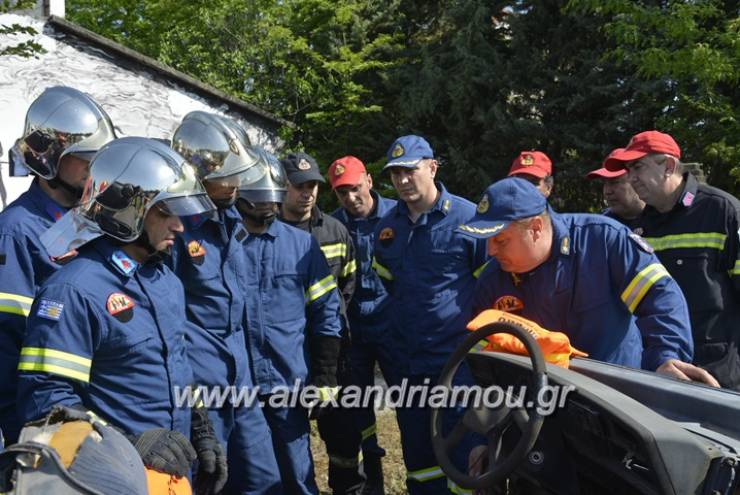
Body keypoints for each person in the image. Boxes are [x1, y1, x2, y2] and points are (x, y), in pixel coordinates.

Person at [17, 137, 228, 493]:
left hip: (172, 474)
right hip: (110, 479)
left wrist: (202, 428)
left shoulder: (166, 281)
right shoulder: (74, 291)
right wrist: (128, 442)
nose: (179, 226)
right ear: (129, 212)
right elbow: (45, 403)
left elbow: (178, 369)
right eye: (166, 212)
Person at [460, 176, 717, 386]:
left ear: (536, 228)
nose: (491, 251)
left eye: (500, 240)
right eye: (487, 241)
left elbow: (660, 297)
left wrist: (666, 357)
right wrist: (485, 433)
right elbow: (483, 359)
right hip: (542, 409)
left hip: (617, 400)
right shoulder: (492, 278)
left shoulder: (603, 242)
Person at [169, 111, 281, 494]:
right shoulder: (175, 228)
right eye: (227, 175)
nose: (236, 184)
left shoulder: (231, 218)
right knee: (209, 482)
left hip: (241, 380)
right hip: (201, 390)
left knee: (263, 480)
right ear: (200, 173)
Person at [372, 135, 489, 494]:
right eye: (395, 175)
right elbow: (389, 285)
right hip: (408, 364)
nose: (403, 180)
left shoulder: (470, 218)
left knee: (467, 458)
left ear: (432, 167)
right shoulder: (387, 228)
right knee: (419, 459)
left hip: (458, 364)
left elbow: (490, 289)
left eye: (410, 171)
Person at [0, 86, 116, 445]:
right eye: (86, 158)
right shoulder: (17, 229)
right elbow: (7, 343)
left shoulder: (89, 220)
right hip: (46, 413)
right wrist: (24, 433)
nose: (95, 170)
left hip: (95, 402)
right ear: (51, 157)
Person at [236, 148, 343, 495]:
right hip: (237, 388)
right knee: (246, 478)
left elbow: (327, 312)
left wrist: (326, 374)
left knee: (297, 475)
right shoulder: (225, 244)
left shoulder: (302, 246)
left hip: (287, 384)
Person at [604, 130, 740, 390]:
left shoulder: (723, 212)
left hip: (718, 379)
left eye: (637, 167)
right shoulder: (638, 227)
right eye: (628, 170)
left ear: (668, 166)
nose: (630, 178)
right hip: (660, 374)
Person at [279, 151, 363, 494]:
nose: (308, 192)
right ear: (282, 187)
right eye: (299, 186)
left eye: (312, 185)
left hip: (332, 352)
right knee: (288, 438)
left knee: (343, 436)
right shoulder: (268, 231)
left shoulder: (335, 231)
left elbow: (348, 284)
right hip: (285, 353)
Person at [328, 155, 397, 494]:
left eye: (355, 188)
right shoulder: (332, 226)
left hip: (393, 327)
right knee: (356, 404)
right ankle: (371, 473)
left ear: (368, 181)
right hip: (353, 332)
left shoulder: (399, 216)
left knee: (410, 402)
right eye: (343, 193)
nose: (352, 198)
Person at [586, 148, 645, 229]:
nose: (607, 191)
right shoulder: (600, 227)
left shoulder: (662, 218)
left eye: (614, 182)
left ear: (637, 181)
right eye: (604, 183)